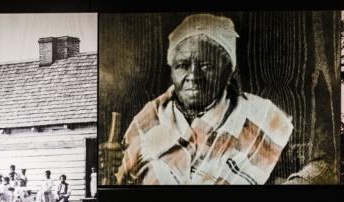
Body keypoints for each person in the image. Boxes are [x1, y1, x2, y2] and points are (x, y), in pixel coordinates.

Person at [116, 13, 293, 185]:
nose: (193, 75)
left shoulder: (262, 118)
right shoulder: (147, 122)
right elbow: (121, 180)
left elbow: (310, 167)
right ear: (171, 71)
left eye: (206, 65)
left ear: (228, 71)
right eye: (182, 66)